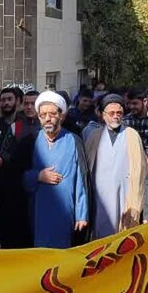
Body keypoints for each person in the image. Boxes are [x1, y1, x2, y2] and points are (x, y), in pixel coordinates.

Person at [23, 92, 90, 248]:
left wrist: (81, 214)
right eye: (43, 115)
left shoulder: (74, 140)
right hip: (38, 211)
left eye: (52, 114)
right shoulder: (30, 141)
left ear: (62, 116)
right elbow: (17, 175)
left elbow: (81, 180)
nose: (48, 118)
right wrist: (38, 176)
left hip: (66, 212)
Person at [82, 95, 145, 238]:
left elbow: (140, 170)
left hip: (124, 194)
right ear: (103, 115)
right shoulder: (94, 136)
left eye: (119, 113)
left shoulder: (131, 135)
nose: (116, 116)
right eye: (111, 113)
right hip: (99, 199)